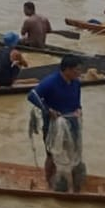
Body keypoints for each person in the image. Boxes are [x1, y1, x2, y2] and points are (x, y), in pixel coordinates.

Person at [27, 55, 84, 190]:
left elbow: (77, 101)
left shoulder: (76, 82)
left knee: (74, 151)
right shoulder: (51, 82)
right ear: (67, 69)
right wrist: (48, 110)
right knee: (51, 154)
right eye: (76, 70)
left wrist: (79, 110)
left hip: (72, 121)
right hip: (54, 124)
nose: (79, 73)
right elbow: (32, 95)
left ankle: (74, 181)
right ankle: (49, 183)